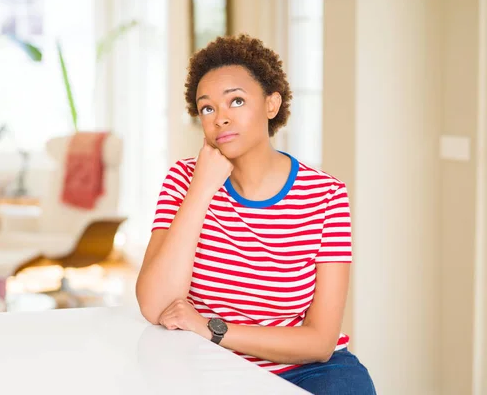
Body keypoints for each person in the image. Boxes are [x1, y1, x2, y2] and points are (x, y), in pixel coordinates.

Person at [135, 34, 376, 395]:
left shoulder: (326, 194)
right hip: (209, 365)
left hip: (306, 371)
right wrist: (202, 189)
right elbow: (155, 305)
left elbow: (320, 341)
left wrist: (212, 328)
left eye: (236, 100)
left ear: (271, 104)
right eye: (208, 108)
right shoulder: (184, 180)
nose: (221, 119)